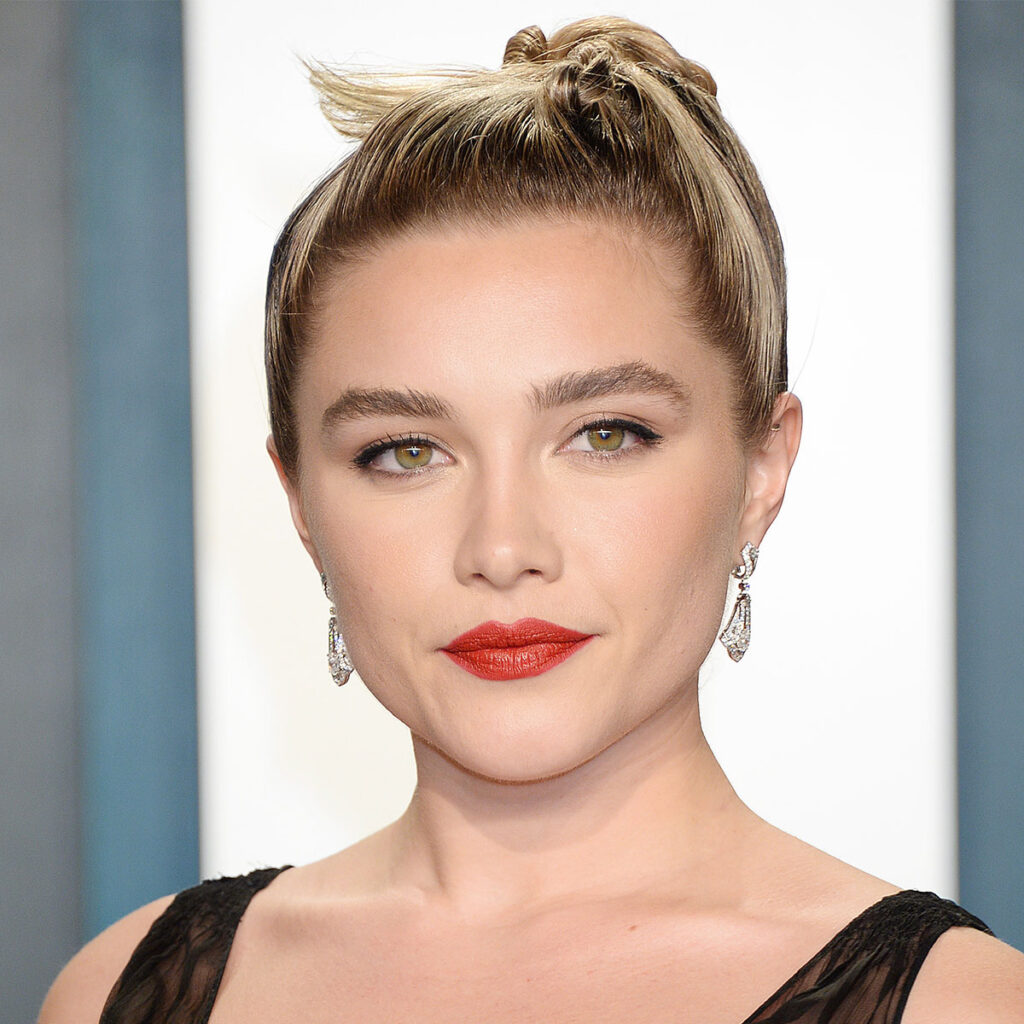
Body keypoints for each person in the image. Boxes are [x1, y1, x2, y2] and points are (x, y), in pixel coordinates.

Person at [40, 16, 1024, 1024]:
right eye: (406, 452)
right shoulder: (117, 994)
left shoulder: (966, 1008)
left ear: (762, 469)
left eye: (604, 435)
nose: (502, 549)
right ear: (299, 501)